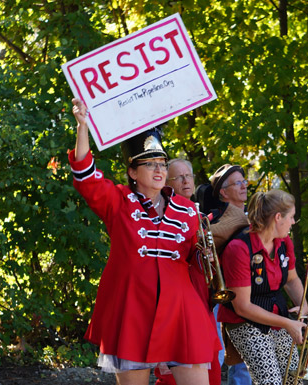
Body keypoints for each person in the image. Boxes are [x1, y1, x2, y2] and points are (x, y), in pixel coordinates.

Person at [69, 98, 219, 385]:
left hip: (181, 309)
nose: (158, 170)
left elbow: (195, 262)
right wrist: (82, 126)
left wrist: (205, 259)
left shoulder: (189, 210)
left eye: (162, 163)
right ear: (132, 172)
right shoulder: (119, 202)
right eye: (149, 164)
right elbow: (85, 176)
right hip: (133, 308)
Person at [217, 189, 308, 385]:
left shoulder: (284, 242)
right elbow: (242, 307)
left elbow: (291, 279)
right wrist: (287, 323)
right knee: (270, 381)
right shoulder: (239, 248)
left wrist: (303, 307)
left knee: (293, 379)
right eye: (291, 217)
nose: (293, 222)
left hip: (276, 316)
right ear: (278, 217)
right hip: (244, 321)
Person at [154, 157, 221, 385]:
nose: (185, 181)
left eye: (188, 176)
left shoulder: (200, 216)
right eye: (178, 177)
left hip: (202, 303)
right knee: (172, 376)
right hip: (176, 304)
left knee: (211, 372)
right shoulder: (160, 215)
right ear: (166, 183)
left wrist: (208, 259)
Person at [199, 164, 253, 385]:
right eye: (237, 183)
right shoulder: (215, 218)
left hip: (255, 293)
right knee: (232, 360)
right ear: (223, 192)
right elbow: (204, 241)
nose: (243, 186)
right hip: (226, 295)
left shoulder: (255, 214)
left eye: (244, 181)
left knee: (249, 362)